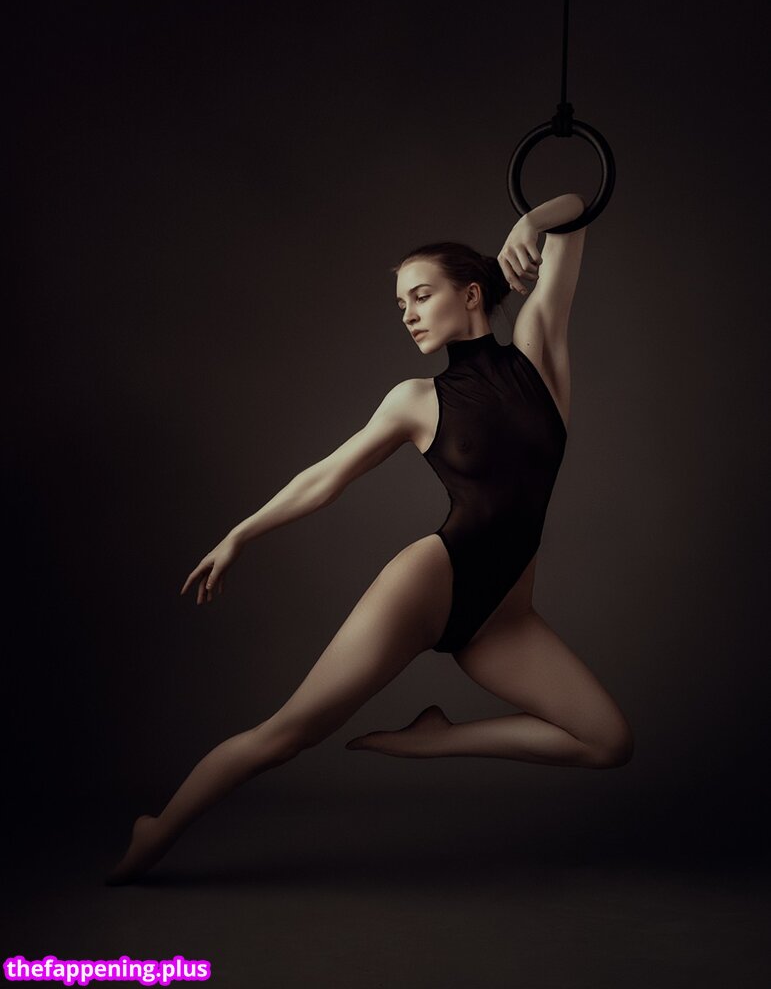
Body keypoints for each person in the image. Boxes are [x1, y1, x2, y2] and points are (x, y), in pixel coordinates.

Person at [106, 191, 634, 885]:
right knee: (286, 735)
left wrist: (531, 220)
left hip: (503, 617)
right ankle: (159, 829)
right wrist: (239, 533)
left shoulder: (539, 353)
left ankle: (437, 742)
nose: (408, 313)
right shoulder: (414, 400)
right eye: (400, 304)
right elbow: (325, 478)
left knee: (606, 742)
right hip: (429, 584)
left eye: (421, 295)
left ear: (471, 294)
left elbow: (577, 210)